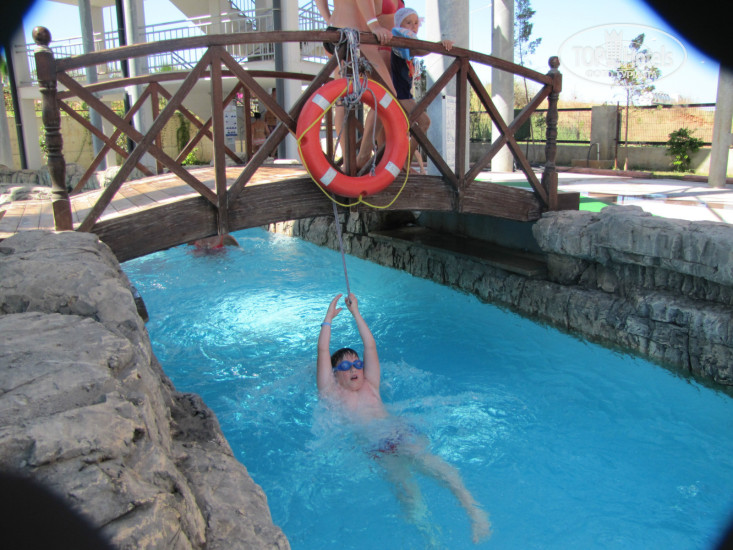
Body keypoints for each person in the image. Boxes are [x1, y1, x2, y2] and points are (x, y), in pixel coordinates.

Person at [317, 293, 491, 543]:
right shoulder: (332, 394)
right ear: (335, 374)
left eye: (357, 364)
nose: (354, 368)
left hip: (400, 434)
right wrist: (328, 319)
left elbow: (370, 346)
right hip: (378, 449)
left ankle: (476, 514)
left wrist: (356, 313)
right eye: (345, 367)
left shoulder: (370, 385)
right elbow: (323, 350)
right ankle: (432, 540)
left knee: (440, 470)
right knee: (409, 497)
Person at [315, 0, 397, 170]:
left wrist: (329, 19)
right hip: (356, 34)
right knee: (389, 95)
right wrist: (374, 25)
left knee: (342, 98)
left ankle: (349, 162)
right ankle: (363, 155)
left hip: (336, 31)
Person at [391, 7, 454, 172]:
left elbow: (419, 51)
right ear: (400, 25)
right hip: (400, 96)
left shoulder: (407, 46)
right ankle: (405, 163)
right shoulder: (399, 41)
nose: (413, 26)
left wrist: (438, 46)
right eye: (408, 22)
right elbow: (418, 49)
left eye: (416, 23)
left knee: (409, 128)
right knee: (424, 122)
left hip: (406, 95)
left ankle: (404, 163)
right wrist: (438, 46)